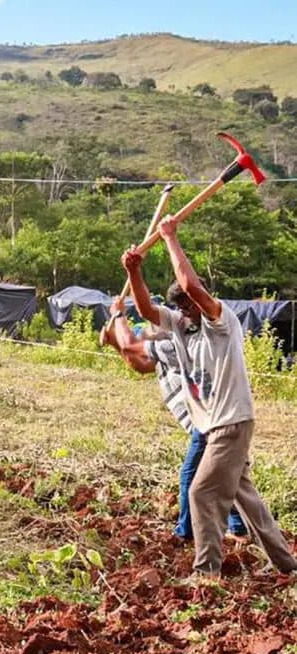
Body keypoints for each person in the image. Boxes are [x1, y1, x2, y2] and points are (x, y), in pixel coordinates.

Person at [123, 215, 296, 576]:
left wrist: (170, 238)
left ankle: (207, 575)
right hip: (213, 425)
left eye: (191, 304)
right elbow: (143, 310)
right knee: (243, 497)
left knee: (201, 492)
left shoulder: (221, 320)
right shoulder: (180, 325)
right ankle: (286, 565)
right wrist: (134, 272)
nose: (188, 312)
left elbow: (192, 284)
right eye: (183, 308)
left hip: (230, 422)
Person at [100, 297, 247, 541]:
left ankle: (186, 532)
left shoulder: (173, 341)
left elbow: (132, 346)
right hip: (210, 417)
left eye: (147, 329)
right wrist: (116, 343)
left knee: (191, 474)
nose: (145, 332)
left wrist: (118, 317)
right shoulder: (161, 346)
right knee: (225, 471)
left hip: (209, 419)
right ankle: (239, 527)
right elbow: (140, 364)